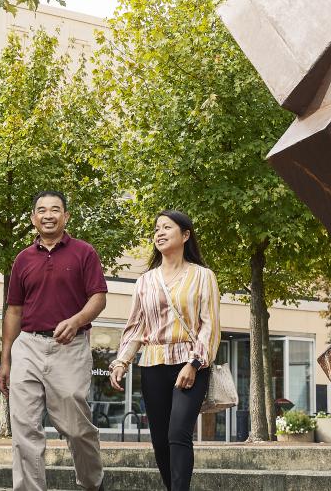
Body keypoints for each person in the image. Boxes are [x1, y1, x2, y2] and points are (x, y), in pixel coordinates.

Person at [0, 191, 108, 491]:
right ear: (33, 218)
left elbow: (98, 298)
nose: (48, 215)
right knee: (25, 429)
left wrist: (76, 321)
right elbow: (14, 311)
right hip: (28, 346)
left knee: (75, 427)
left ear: (66, 216)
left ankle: (90, 482)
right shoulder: (22, 259)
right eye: (42, 210)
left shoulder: (84, 252)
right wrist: (5, 359)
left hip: (69, 348)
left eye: (55, 209)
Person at [109, 210, 221, 491]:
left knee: (178, 433)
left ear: (185, 235)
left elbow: (210, 325)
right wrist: (122, 361)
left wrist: (195, 363)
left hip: (190, 365)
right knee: (159, 439)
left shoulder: (203, 276)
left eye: (166, 228)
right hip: (152, 364)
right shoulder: (145, 281)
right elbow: (136, 326)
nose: (159, 233)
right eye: (156, 228)